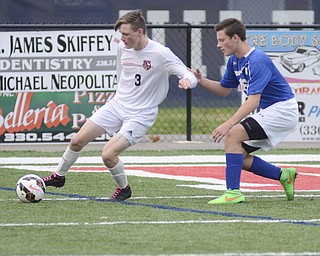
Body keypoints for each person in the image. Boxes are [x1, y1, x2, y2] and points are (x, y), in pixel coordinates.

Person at [42, 10, 197, 201]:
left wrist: (187, 81)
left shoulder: (160, 53)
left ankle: (124, 189)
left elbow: (186, 72)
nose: (122, 39)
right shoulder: (123, 49)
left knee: (108, 154)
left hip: (141, 114)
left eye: (126, 34)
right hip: (117, 105)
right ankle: (59, 176)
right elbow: (122, 76)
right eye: (121, 34)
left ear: (140, 32)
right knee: (77, 141)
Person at [191, 18, 299, 204]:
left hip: (282, 111)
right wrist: (201, 80)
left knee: (233, 135)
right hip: (272, 111)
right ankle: (283, 175)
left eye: (221, 40)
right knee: (237, 153)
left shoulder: (257, 61)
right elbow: (224, 90)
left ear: (235, 38)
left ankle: (233, 193)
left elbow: (253, 101)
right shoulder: (235, 61)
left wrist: (228, 123)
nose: (218, 45)